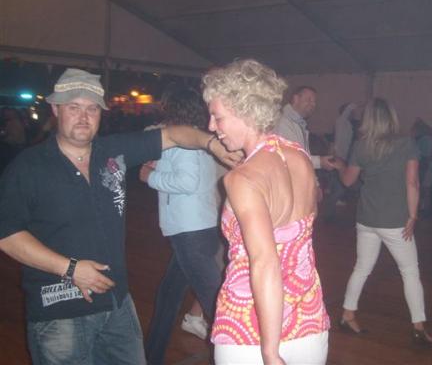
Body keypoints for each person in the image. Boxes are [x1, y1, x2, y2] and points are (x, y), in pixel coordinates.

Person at [0, 68, 240, 365]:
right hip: (59, 310)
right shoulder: (30, 166)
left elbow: (174, 134)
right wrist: (70, 269)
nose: (84, 117)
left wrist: (212, 144)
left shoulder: (112, 151)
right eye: (74, 107)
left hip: (116, 304)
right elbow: (7, 235)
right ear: (56, 109)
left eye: (92, 109)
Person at [202, 59, 330, 364]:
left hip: (251, 328)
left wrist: (270, 351)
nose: (211, 126)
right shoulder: (298, 155)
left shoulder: (243, 178)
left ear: (244, 112)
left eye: (217, 117)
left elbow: (265, 263)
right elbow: (305, 225)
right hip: (308, 318)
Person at [332, 97, 432, 345]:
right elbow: (413, 182)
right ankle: (418, 328)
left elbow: (347, 181)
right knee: (410, 272)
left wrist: (339, 165)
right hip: (395, 220)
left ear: (368, 119)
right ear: (392, 117)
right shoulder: (406, 143)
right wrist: (413, 215)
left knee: (362, 268)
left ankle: (347, 315)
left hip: (367, 218)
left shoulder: (361, 145)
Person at [140, 85, 223, 364]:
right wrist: (159, 167)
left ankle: (243, 354)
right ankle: (151, 356)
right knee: (168, 297)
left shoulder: (182, 142)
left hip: (191, 232)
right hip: (200, 227)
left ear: (172, 108)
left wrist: (149, 177)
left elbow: (186, 182)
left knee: (217, 305)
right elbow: (192, 178)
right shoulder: (198, 139)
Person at [274, 85, 334, 171]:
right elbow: (292, 157)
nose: (313, 104)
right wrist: (319, 162)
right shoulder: (284, 122)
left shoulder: (298, 123)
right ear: (296, 99)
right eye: (309, 100)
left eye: (314, 102)